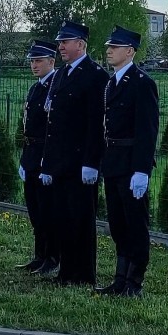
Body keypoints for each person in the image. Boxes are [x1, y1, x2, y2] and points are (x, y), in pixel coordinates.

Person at [40, 21, 109, 286]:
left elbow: (95, 123)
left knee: (81, 219)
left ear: (80, 44)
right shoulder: (61, 74)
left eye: (65, 43)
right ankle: (66, 271)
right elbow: (53, 122)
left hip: (81, 161)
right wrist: (48, 160)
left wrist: (92, 162)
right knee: (63, 218)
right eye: (59, 43)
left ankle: (82, 274)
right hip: (60, 161)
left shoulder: (95, 75)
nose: (60, 47)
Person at [95, 26, 159, 297]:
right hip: (113, 162)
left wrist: (141, 170)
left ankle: (135, 281)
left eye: (115, 47)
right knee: (118, 224)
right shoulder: (112, 83)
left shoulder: (142, 83)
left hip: (132, 164)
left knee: (135, 224)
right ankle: (120, 279)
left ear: (130, 51)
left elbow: (147, 130)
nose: (109, 50)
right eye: (109, 46)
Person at [17, 40, 59, 274]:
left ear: (51, 62)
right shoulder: (36, 88)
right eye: (32, 61)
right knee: (34, 209)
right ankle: (39, 255)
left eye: (39, 61)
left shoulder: (55, 85)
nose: (34, 65)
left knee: (47, 211)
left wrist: (48, 160)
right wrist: (24, 159)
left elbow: (51, 128)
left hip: (45, 155)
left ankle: (52, 257)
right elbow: (28, 127)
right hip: (32, 154)